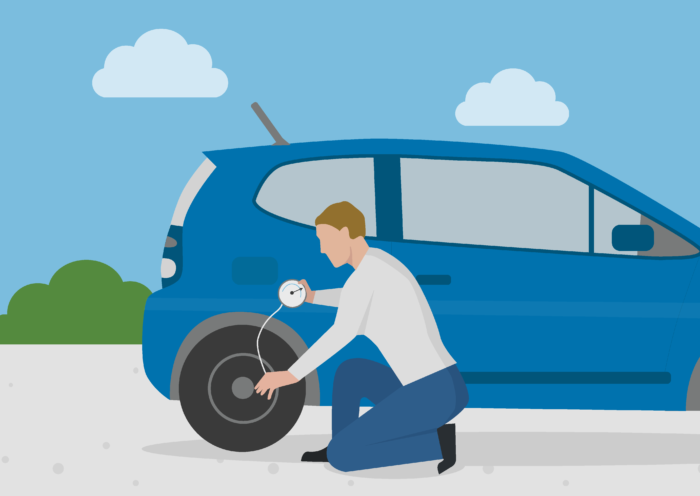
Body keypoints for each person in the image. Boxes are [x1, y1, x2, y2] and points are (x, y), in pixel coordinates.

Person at [254, 201, 469, 473]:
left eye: (325, 239)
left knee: (344, 457)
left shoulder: (368, 275)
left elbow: (341, 332)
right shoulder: (376, 263)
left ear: (345, 233)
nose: (321, 248)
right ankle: (340, 442)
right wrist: (312, 297)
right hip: (436, 385)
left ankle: (436, 444)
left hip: (433, 394)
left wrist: (290, 375)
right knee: (351, 370)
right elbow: (351, 297)